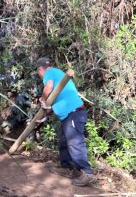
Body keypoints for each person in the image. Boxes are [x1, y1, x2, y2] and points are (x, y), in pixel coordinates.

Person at [35, 57, 96, 186]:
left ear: (40, 70)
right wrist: (46, 114)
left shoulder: (49, 73)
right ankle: (67, 168)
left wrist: (43, 99)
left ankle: (87, 173)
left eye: (38, 72)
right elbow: (57, 101)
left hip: (74, 113)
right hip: (69, 115)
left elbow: (48, 87)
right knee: (63, 141)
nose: (40, 75)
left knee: (75, 142)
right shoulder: (58, 74)